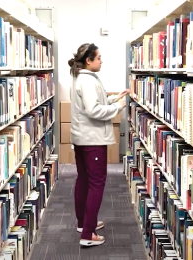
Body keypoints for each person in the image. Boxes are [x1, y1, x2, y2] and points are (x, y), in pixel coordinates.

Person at [68, 43, 129, 247]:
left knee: (84, 180)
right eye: (99, 57)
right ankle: (88, 234)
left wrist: (114, 99)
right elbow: (93, 110)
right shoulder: (86, 80)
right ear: (89, 60)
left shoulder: (81, 77)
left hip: (82, 138)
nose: (102, 61)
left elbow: (95, 101)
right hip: (92, 139)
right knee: (96, 183)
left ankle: (84, 223)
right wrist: (118, 108)